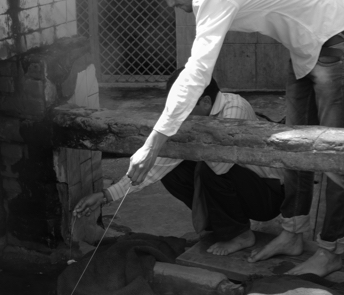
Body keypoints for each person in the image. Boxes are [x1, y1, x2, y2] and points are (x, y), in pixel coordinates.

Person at [126, 0, 344, 278]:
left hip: (336, 39)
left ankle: (330, 250)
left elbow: (197, 73)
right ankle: (293, 233)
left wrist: (152, 144)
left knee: (334, 151)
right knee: (295, 146)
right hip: (305, 45)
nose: (171, 4)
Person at [74, 71, 284, 251]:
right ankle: (217, 229)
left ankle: (241, 235)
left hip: (266, 195)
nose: (177, 112)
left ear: (205, 102)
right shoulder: (192, 118)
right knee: (172, 170)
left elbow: (221, 165)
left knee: (210, 167)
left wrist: (182, 134)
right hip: (236, 186)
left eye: (182, 105)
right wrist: (106, 195)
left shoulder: (234, 109)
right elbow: (153, 168)